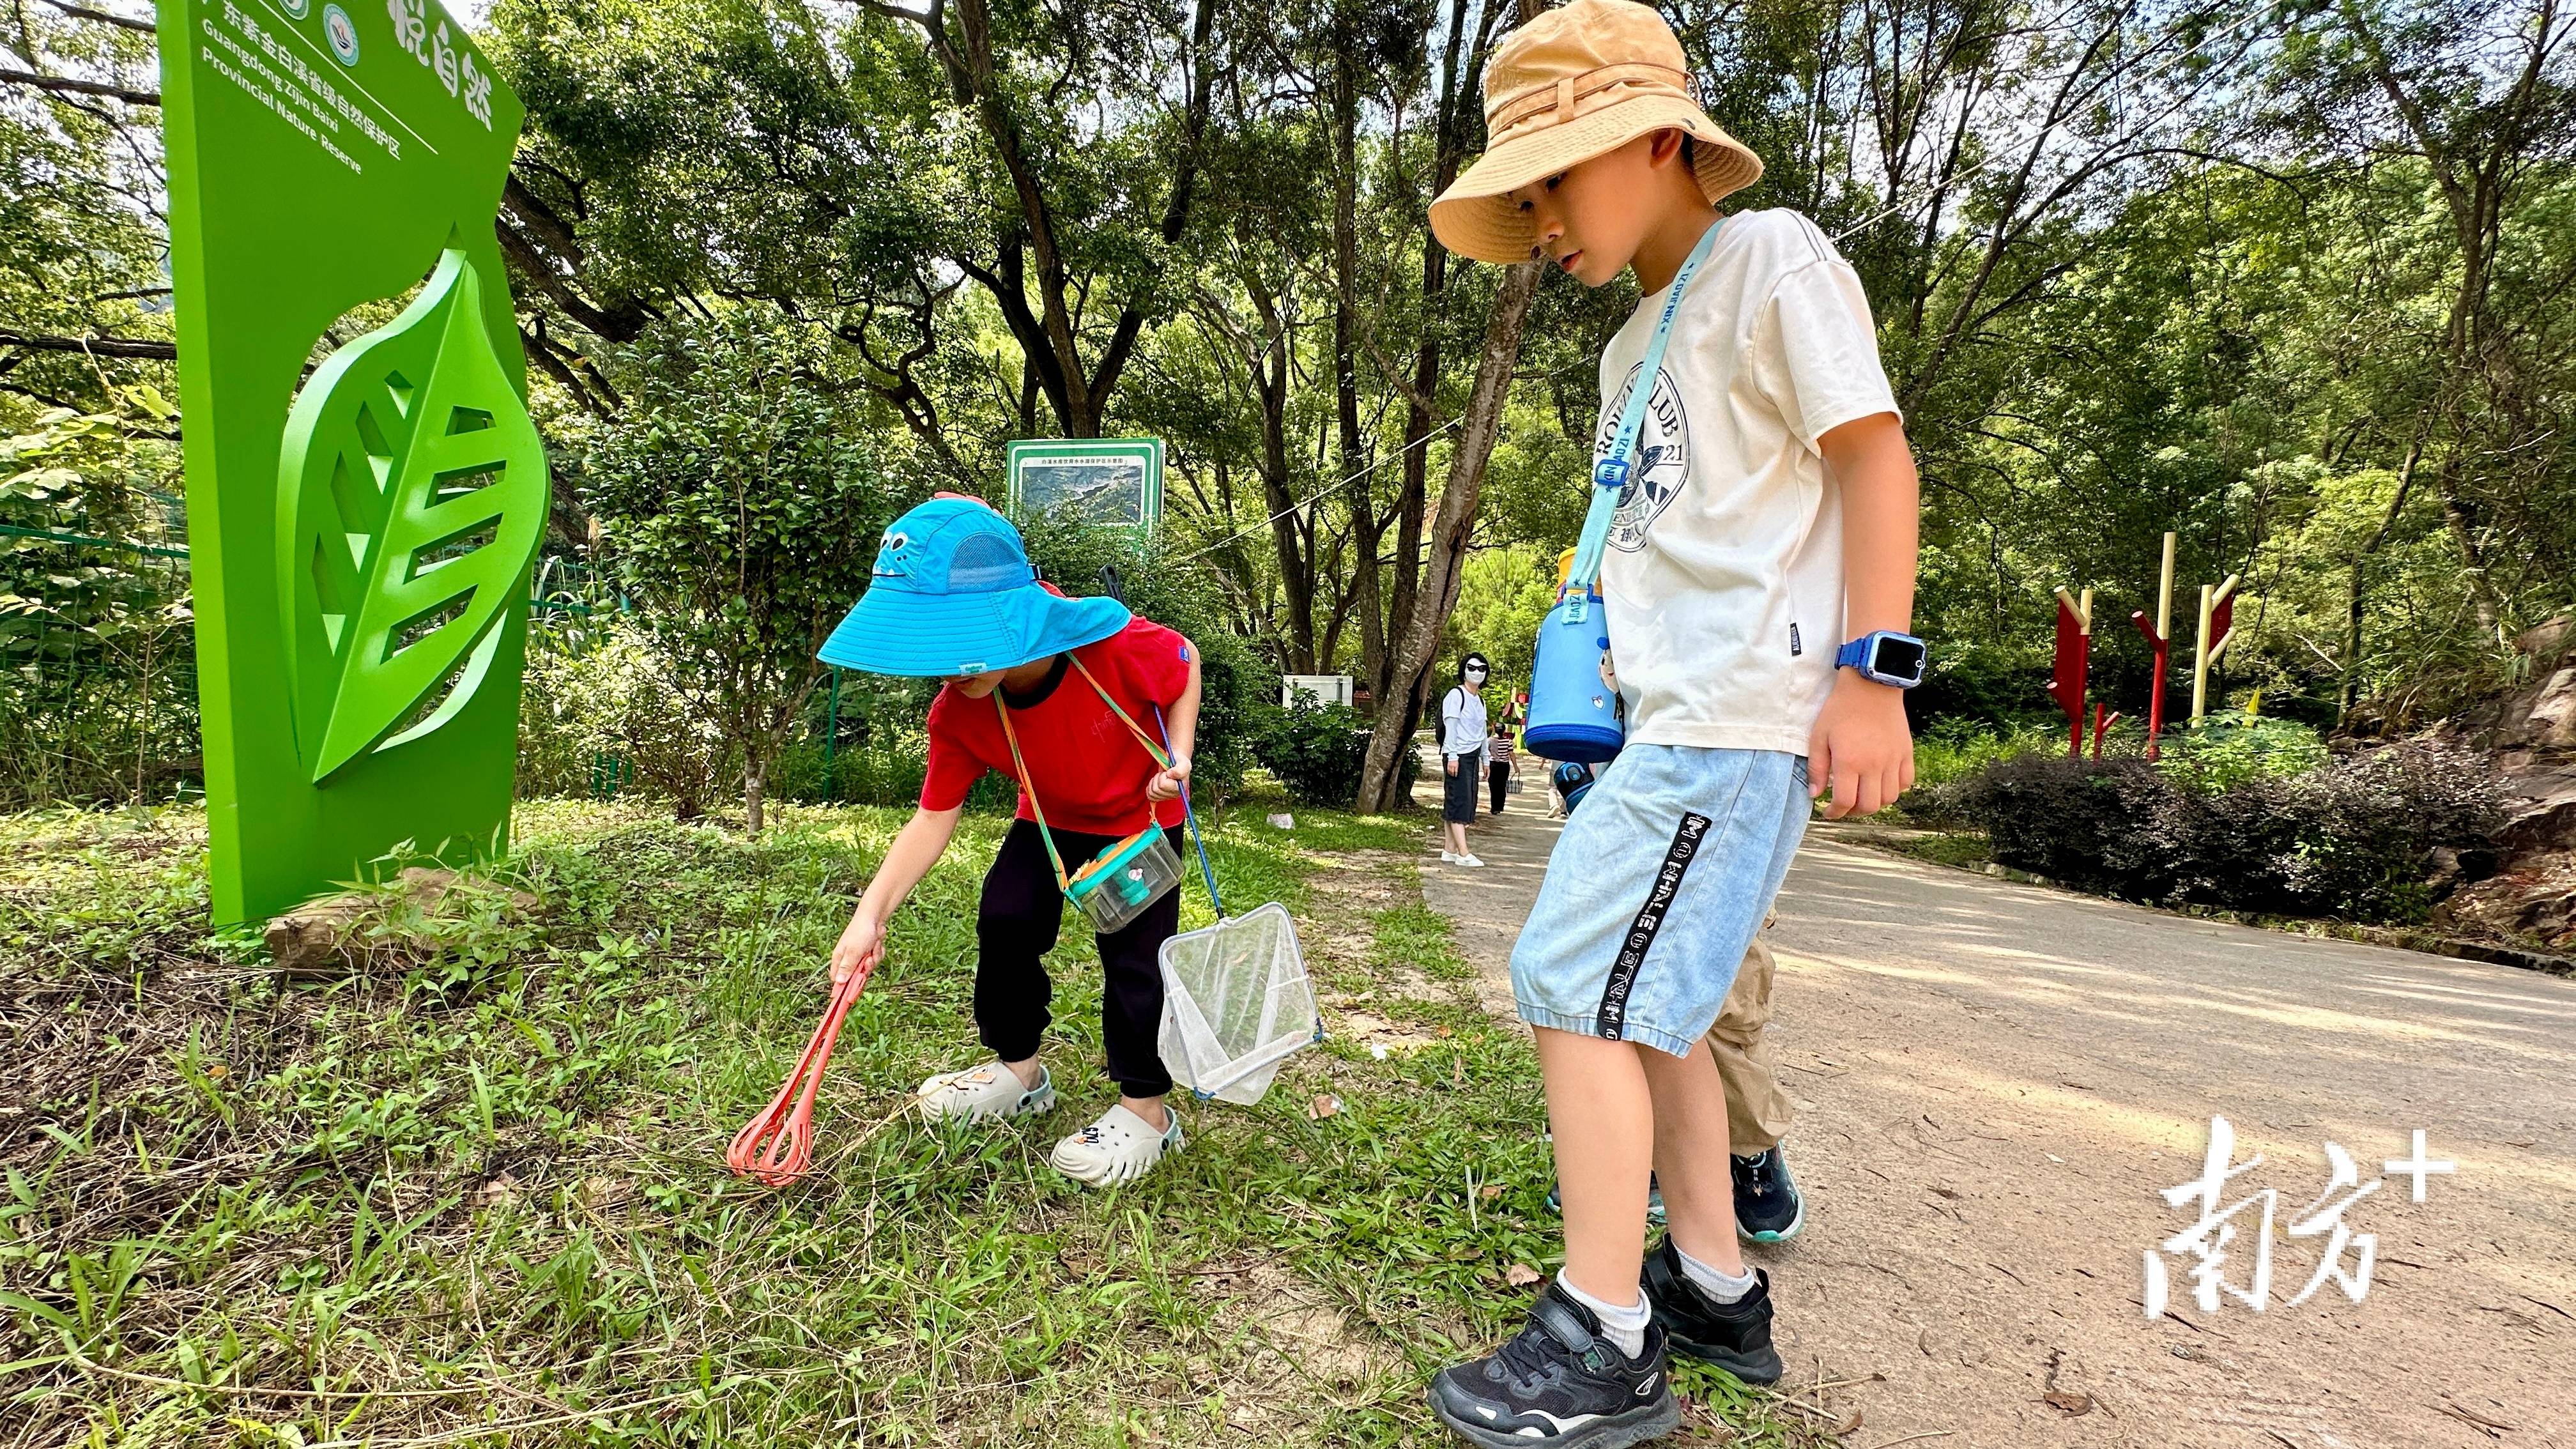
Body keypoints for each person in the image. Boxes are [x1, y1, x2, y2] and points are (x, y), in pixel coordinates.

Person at [1422, 2, 1923, 1443]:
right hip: (1669, 724)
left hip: (1738, 714)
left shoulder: (1772, 257)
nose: (1538, 224)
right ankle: (1710, 1286)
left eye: (1556, 181)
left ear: (1658, 141)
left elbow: (1875, 457)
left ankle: (1603, 1336)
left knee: (1568, 976)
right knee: (1658, 1016)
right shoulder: (1628, 342)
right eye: (1519, 199)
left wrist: (1874, 670)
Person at [817, 496, 1203, 1188]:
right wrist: (868, 916)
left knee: (1137, 962)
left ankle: (1146, 1111)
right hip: (1048, 821)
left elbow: (1184, 660)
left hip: (1140, 823)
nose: (948, 665)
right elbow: (932, 818)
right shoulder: (957, 714)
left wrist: (1181, 758)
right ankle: (1020, 1071)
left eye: (959, 635)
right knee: (1005, 919)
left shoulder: (1110, 647)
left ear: (1010, 614)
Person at [1439, 653, 1492, 867]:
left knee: (1464, 801)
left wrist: (1486, 758)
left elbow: (1482, 732)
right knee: (1459, 801)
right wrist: (1452, 756)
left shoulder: (1480, 700)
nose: (1476, 672)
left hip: (1472, 755)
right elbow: (1450, 727)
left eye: (1482, 669)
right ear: (1464, 670)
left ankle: (1449, 849)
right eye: (1472, 668)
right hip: (1457, 755)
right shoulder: (1455, 695)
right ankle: (1464, 853)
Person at [1487, 713, 1517, 815]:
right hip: (1504, 766)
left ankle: (1494, 808)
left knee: (1493, 786)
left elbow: (1486, 753)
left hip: (1493, 765)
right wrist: (1516, 767)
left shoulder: (1489, 741)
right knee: (1502, 786)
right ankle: (1500, 807)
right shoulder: (1508, 741)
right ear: (1504, 731)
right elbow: (1511, 754)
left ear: (1495, 730)